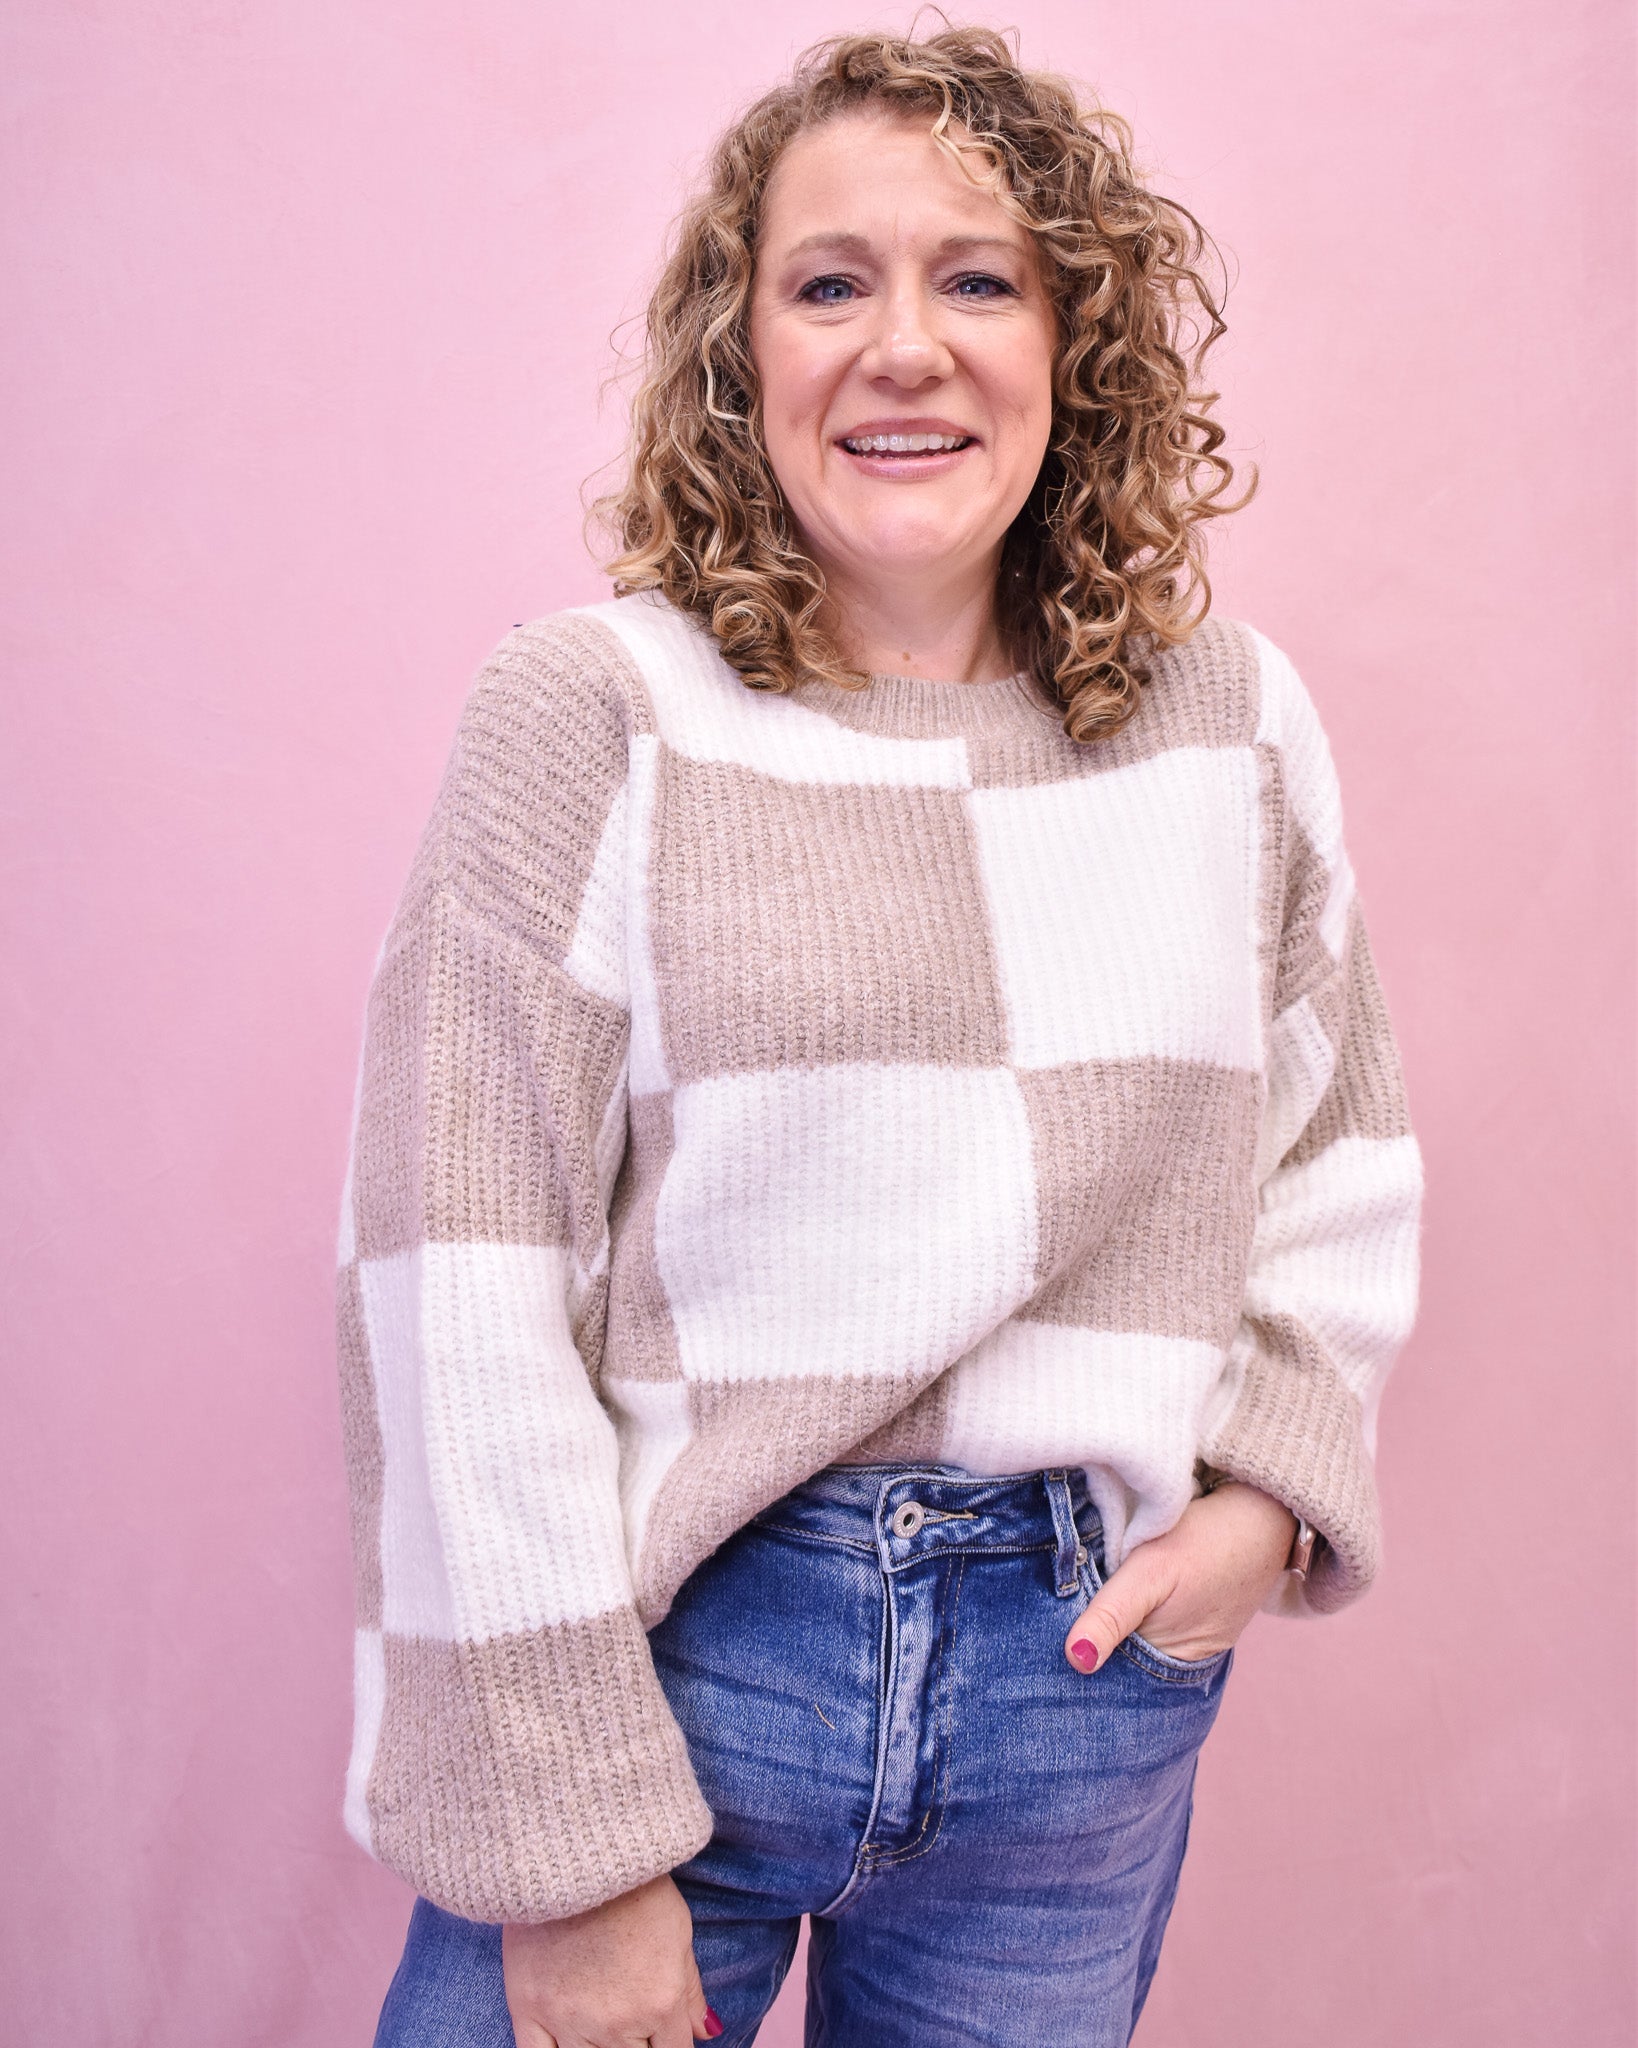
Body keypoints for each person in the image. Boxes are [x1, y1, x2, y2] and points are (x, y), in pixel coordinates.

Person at [337, 28, 1423, 2048]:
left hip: (1078, 1700)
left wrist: (1266, 1498)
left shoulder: (1230, 718)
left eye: (979, 278)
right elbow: (453, 1289)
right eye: (830, 281)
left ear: (1071, 340)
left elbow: (1333, 1156)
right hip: (685, 1666)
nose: (904, 344)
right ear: (737, 352)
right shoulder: (597, 712)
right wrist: (567, 1846)